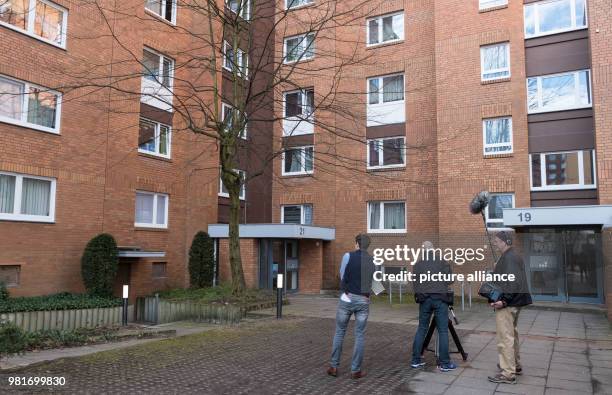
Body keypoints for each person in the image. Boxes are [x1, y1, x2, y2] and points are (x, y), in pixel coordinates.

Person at [327, 234, 376, 380]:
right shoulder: (373, 260)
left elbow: (342, 276)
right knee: (359, 335)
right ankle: (355, 370)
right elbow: (372, 282)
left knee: (340, 332)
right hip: (363, 300)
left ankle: (334, 366)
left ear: (356, 244)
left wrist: (346, 292)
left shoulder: (347, 256)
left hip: (347, 299)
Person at [488, 231, 533, 384]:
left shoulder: (509, 258)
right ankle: (515, 365)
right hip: (515, 302)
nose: (495, 243)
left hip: (509, 303)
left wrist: (504, 301)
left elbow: (512, 283)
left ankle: (508, 373)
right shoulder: (511, 256)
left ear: (505, 241)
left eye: (497, 241)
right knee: (512, 334)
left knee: (505, 337)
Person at [410, 241, 457, 372]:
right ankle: (445, 363)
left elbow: (415, 283)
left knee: (421, 329)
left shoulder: (418, 264)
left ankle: (415, 360)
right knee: (443, 331)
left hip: (424, 300)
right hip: (440, 299)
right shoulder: (442, 261)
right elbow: (450, 280)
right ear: (433, 250)